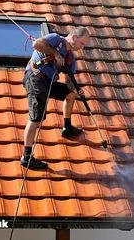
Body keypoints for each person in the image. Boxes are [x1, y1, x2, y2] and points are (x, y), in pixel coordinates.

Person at [21, 27, 90, 169]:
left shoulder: (71, 58)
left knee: (71, 94)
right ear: (74, 38)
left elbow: (69, 81)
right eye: (82, 43)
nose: (81, 47)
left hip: (49, 82)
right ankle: (26, 157)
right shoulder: (56, 39)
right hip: (36, 78)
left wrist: (76, 89)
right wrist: (56, 54)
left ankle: (67, 126)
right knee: (37, 117)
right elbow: (36, 44)